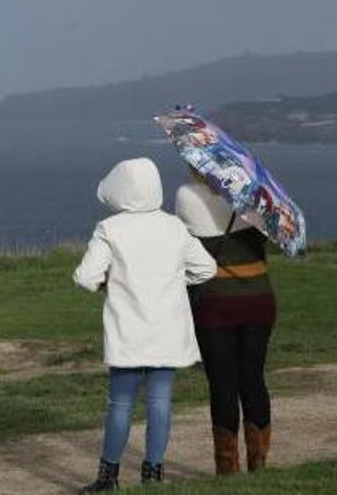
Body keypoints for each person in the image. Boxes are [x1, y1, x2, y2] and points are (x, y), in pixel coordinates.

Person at [73, 158, 217, 492]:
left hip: (129, 329)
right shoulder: (174, 227)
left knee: (120, 402)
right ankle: (153, 475)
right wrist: (178, 279)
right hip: (167, 328)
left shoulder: (110, 229)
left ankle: (108, 477)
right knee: (160, 402)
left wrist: (107, 284)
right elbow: (206, 269)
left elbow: (85, 278)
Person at [176, 178, 277, 475]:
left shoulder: (187, 195)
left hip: (215, 302)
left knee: (222, 384)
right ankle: (258, 463)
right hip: (259, 299)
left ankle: (227, 467)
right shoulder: (256, 198)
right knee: (254, 380)